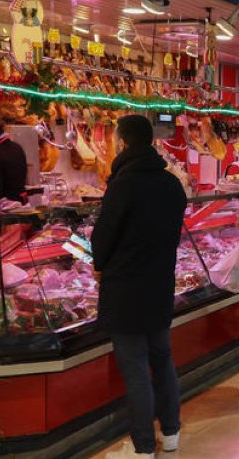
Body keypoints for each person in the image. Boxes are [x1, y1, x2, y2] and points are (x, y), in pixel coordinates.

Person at [92, 115, 187, 457]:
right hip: (160, 285)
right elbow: (174, 236)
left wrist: (99, 265)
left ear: (124, 141)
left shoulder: (123, 184)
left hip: (126, 291)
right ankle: (172, 433)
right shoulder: (172, 184)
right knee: (162, 360)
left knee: (135, 370)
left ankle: (144, 446)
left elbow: (104, 235)